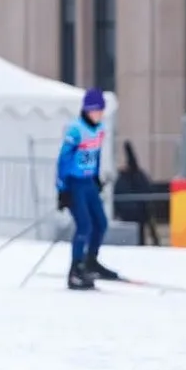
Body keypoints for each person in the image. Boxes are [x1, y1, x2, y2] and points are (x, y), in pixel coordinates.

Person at [56, 87, 118, 290]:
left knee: (100, 223)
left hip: (88, 182)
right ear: (85, 110)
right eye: (93, 110)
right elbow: (63, 160)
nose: (96, 114)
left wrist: (96, 177)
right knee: (84, 225)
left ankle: (91, 260)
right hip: (74, 183)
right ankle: (75, 270)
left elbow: (96, 155)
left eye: (99, 110)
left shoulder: (99, 129)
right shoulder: (75, 130)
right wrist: (62, 189)